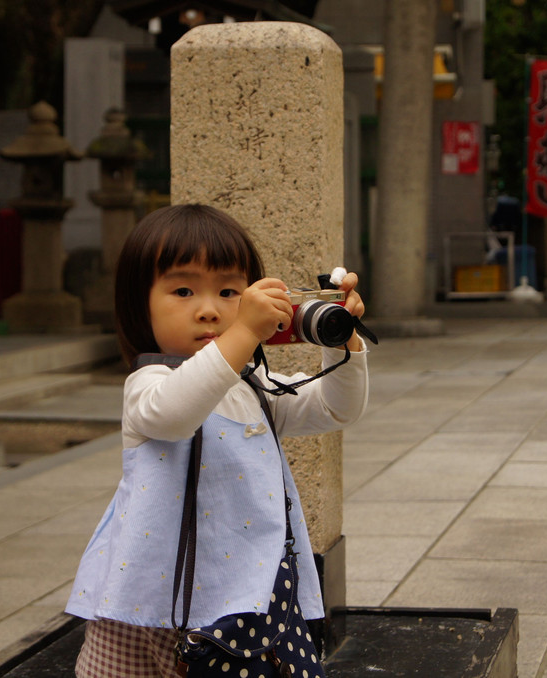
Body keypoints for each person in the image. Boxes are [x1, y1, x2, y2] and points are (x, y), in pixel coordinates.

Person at [66, 204, 369, 677]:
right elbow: (174, 413)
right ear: (138, 303)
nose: (208, 309)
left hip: (238, 595)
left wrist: (342, 339)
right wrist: (244, 330)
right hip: (150, 602)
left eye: (229, 292)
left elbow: (336, 408)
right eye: (183, 290)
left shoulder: (253, 388)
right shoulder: (148, 383)